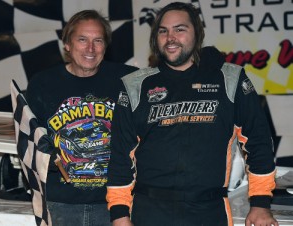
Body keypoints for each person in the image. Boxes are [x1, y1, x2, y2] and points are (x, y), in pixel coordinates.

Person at [106, 2, 279, 226]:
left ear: (197, 34)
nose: (170, 37)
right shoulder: (134, 86)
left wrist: (261, 204)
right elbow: (120, 157)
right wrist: (119, 215)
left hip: (210, 212)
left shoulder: (229, 78)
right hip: (149, 213)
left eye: (180, 29)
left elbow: (259, 142)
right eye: (163, 31)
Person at [26, 9, 137, 226]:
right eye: (82, 40)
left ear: (106, 46)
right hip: (60, 204)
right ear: (67, 44)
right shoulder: (42, 84)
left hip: (115, 204)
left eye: (98, 40)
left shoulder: (128, 80)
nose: (91, 48)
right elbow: (31, 141)